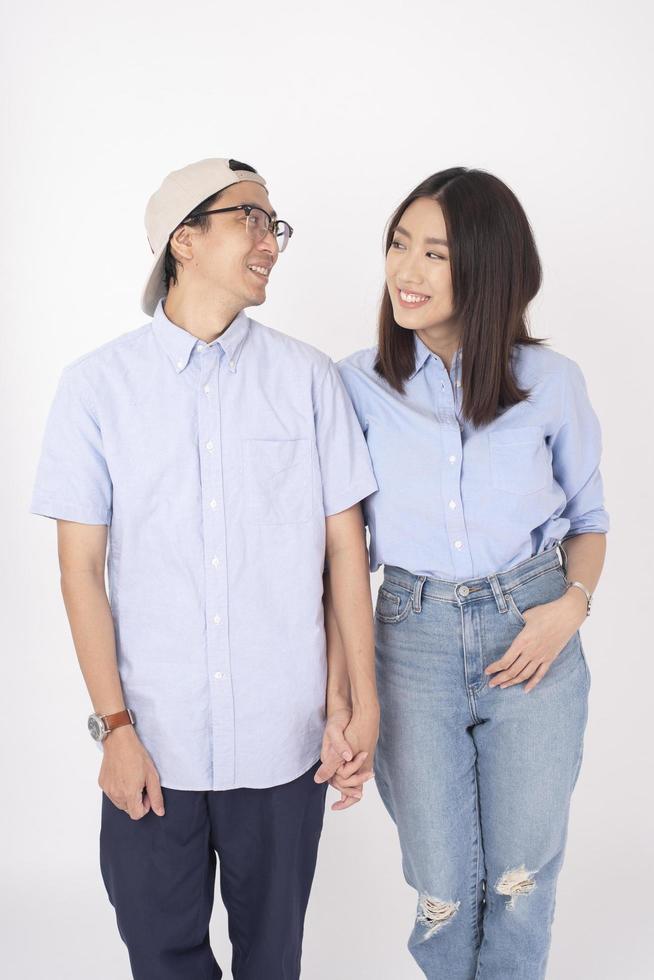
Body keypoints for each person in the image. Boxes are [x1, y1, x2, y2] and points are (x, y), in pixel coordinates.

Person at [29, 157, 379, 980]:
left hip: (285, 744)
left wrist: (357, 703)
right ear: (184, 240)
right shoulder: (96, 389)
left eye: (275, 224)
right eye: (251, 219)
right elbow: (81, 571)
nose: (271, 242)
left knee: (273, 962)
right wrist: (114, 730)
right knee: (162, 958)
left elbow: (344, 553)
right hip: (154, 749)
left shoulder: (308, 379)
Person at [334, 167, 609, 979]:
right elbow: (342, 554)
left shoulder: (551, 384)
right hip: (408, 637)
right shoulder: (355, 385)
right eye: (397, 246)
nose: (405, 272)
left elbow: (590, 524)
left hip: (532, 628)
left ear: (487, 268)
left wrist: (570, 609)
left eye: (435, 254)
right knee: (444, 889)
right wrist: (345, 689)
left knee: (522, 880)